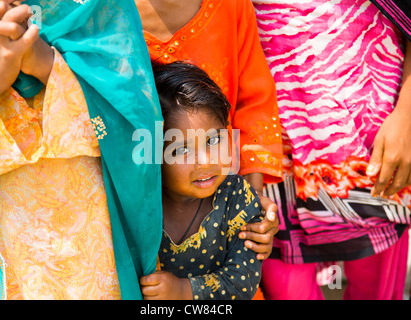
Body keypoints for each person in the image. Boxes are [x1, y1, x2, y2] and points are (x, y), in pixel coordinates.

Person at [0, 0, 163, 300]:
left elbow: (142, 133)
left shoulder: (103, 8)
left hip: (97, 266)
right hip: (2, 267)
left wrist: (45, 63)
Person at [252, 0, 411, 299]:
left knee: (374, 288)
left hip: (372, 148)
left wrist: (407, 112)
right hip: (268, 155)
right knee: (285, 284)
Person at [134, 0, 282, 261]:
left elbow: (255, 101)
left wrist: (252, 199)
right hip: (133, 218)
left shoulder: (233, 7)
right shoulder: (101, 12)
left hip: (220, 213)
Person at [139, 61, 263, 300]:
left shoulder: (237, 197)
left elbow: (243, 283)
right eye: (181, 150)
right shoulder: (138, 202)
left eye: (214, 141)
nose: (205, 162)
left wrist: (183, 291)